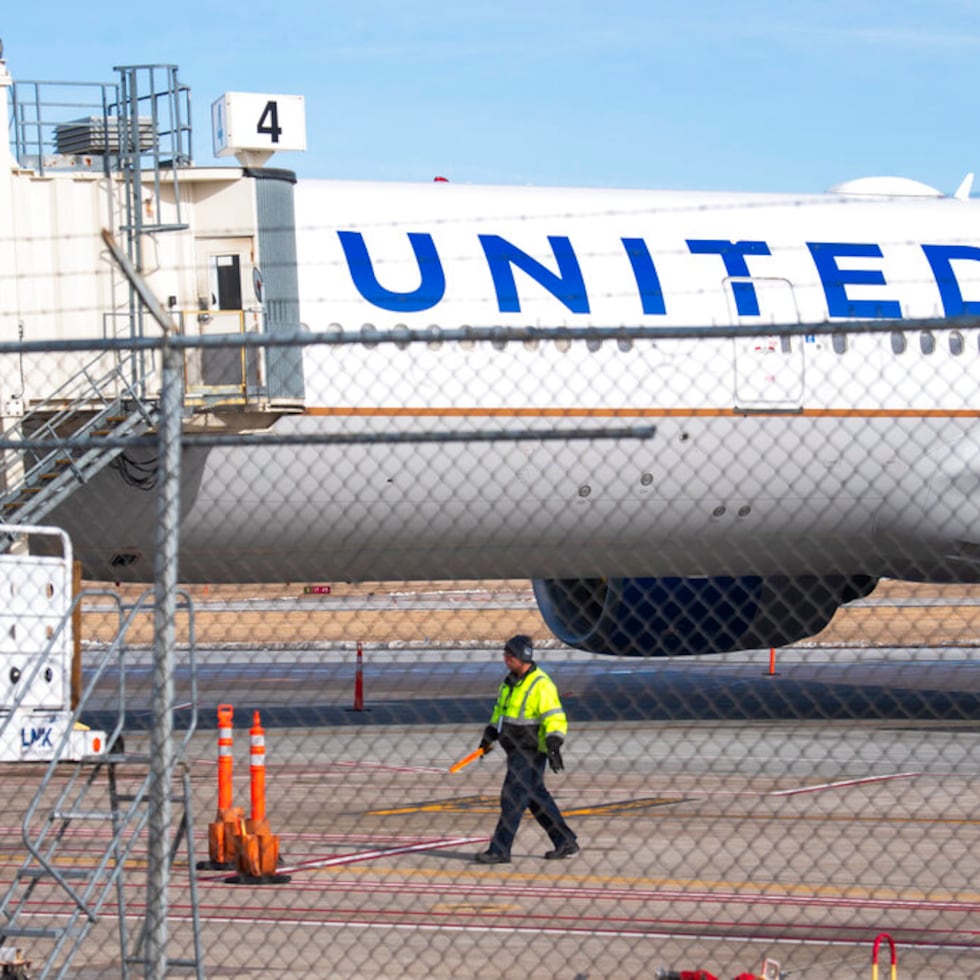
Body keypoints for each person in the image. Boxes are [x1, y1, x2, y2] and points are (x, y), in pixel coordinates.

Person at [473, 634, 579, 864]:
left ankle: (500, 850)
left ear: (522, 657)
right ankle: (565, 841)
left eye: (509, 655)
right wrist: (490, 734)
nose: (505, 659)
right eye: (505, 654)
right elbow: (500, 712)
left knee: (512, 797)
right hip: (514, 748)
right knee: (534, 797)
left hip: (531, 750)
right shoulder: (509, 682)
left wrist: (554, 743)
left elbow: (555, 716)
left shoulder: (541, 684)